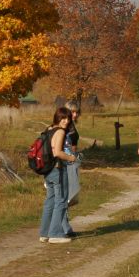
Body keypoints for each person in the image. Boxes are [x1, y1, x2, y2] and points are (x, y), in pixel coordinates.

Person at [39, 107, 78, 244]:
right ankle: (55, 233)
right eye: (63, 118)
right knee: (61, 201)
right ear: (57, 117)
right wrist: (71, 158)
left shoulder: (49, 129)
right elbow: (57, 153)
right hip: (57, 170)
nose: (66, 121)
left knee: (50, 201)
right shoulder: (60, 132)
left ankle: (44, 233)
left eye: (68, 118)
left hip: (48, 171)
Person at [62, 101, 81, 237]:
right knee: (66, 195)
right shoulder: (64, 127)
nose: (75, 114)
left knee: (71, 195)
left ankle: (65, 225)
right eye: (73, 111)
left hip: (72, 161)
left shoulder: (72, 125)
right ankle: (63, 226)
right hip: (65, 162)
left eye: (77, 112)